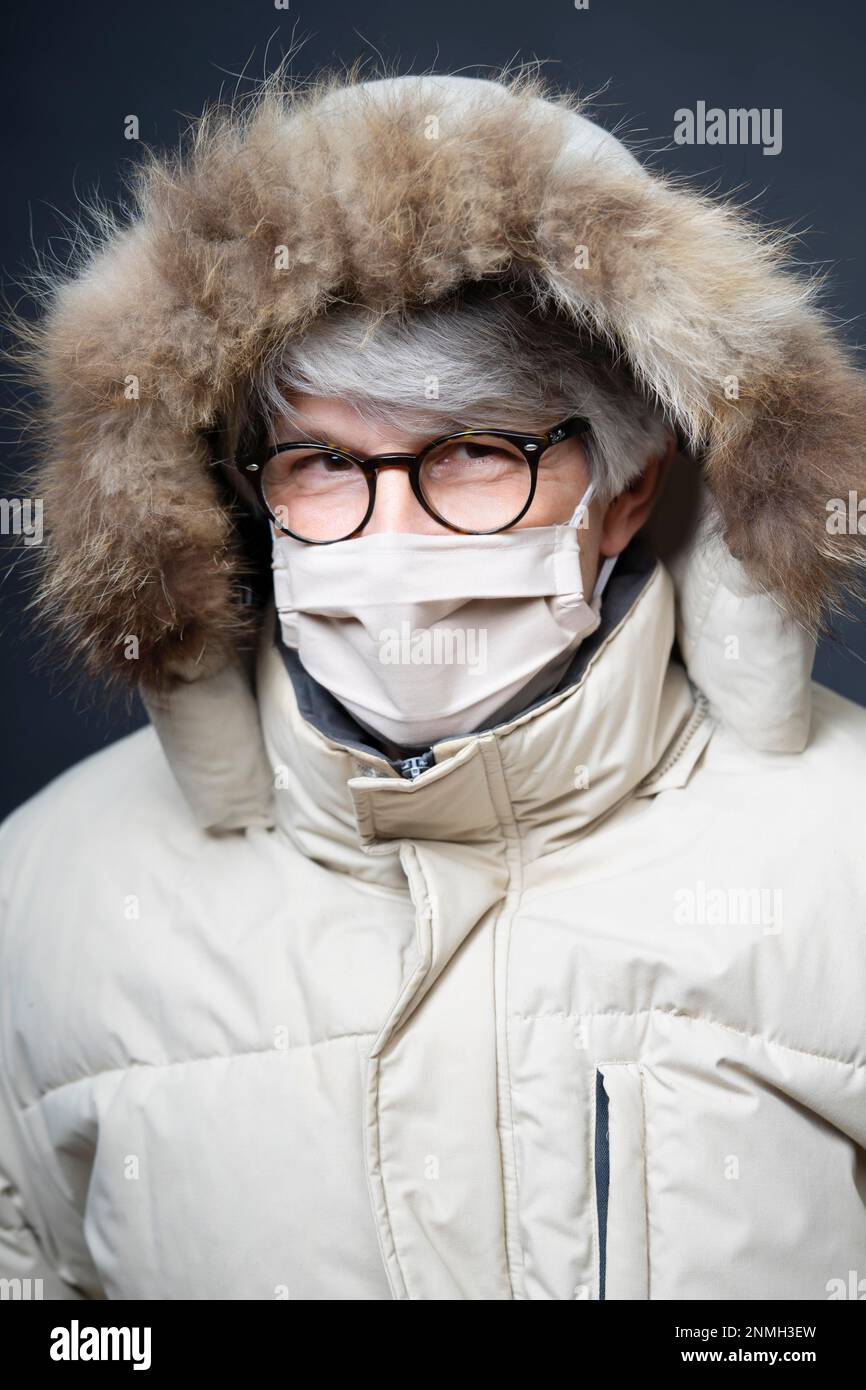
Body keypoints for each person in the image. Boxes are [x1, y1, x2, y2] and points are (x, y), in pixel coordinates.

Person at [1, 67, 865, 1302]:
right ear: (241, 489)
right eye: (321, 463)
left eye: (472, 453)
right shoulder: (41, 896)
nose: (388, 533)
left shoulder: (846, 860)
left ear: (628, 487)